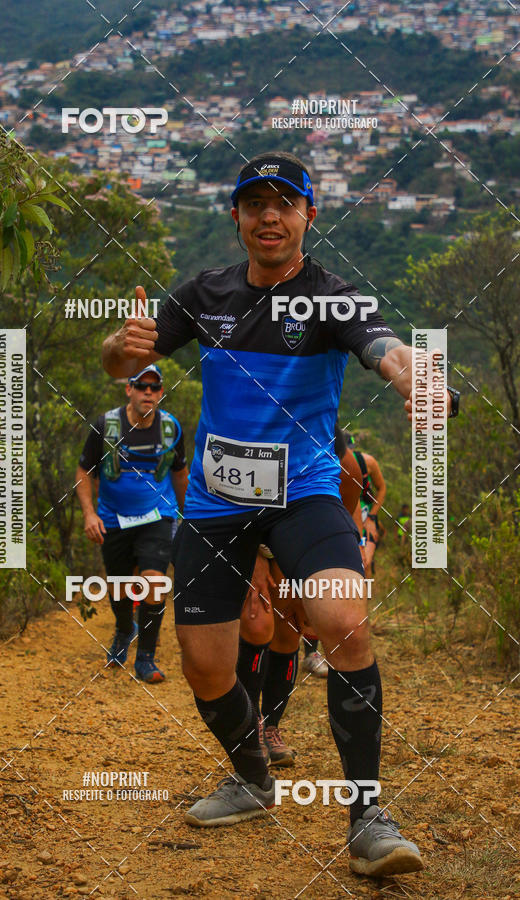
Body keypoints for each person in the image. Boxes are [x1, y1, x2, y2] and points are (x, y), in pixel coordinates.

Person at [102, 151, 454, 876]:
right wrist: (119, 346)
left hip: (305, 493)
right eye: (255, 204)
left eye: (284, 204)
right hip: (214, 503)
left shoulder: (333, 298)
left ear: (308, 217)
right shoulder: (205, 293)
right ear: (235, 216)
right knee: (205, 668)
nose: (270, 217)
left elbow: (382, 346)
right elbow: (123, 359)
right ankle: (252, 777)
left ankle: (369, 819)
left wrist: (415, 377)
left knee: (343, 619)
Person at [238, 425, 366, 770]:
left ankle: (270, 726)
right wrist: (253, 562)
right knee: (255, 621)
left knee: (287, 631)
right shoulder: (249, 422)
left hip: (296, 536)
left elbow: (341, 514)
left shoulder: (342, 460)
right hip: (243, 526)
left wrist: (303, 583)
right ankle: (246, 732)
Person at [75, 364, 189, 683]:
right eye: (141, 387)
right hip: (113, 518)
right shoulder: (106, 426)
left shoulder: (170, 429)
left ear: (161, 393)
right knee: (120, 586)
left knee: (153, 580)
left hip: (158, 516)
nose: (147, 393)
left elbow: (180, 474)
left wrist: (189, 519)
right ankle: (125, 630)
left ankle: (146, 659)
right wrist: (89, 514)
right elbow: (84, 472)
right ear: (129, 390)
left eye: (154, 388)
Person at [352, 448, 386, 578]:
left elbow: (382, 488)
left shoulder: (367, 462)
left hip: (366, 519)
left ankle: (366, 595)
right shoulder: (330, 461)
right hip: (346, 519)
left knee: (364, 564)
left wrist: (372, 517)